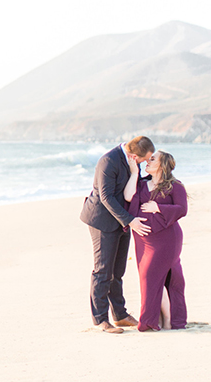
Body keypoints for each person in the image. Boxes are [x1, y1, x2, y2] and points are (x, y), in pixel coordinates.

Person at [80, 136, 155, 334]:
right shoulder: (108, 161)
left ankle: (120, 315)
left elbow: (134, 187)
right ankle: (100, 320)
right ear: (133, 155)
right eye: (143, 160)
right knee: (103, 270)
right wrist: (130, 220)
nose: (144, 163)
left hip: (122, 220)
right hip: (102, 220)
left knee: (118, 270)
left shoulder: (133, 162)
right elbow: (106, 197)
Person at [124, 150, 188, 331]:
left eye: (153, 159)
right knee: (151, 278)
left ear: (162, 164)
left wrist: (158, 207)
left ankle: (165, 320)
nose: (148, 161)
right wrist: (135, 173)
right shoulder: (142, 184)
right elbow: (128, 197)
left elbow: (182, 209)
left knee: (151, 277)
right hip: (144, 240)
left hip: (167, 239)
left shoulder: (175, 186)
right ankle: (158, 319)